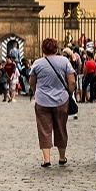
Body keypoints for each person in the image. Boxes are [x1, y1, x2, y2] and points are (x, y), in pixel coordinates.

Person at [30, 38, 75, 168]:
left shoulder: (37, 63)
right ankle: (62, 157)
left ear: (43, 49)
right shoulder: (64, 61)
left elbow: (32, 81)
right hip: (61, 100)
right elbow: (72, 81)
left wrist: (35, 92)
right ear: (56, 48)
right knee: (61, 128)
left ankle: (46, 159)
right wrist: (69, 92)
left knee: (44, 129)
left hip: (42, 100)